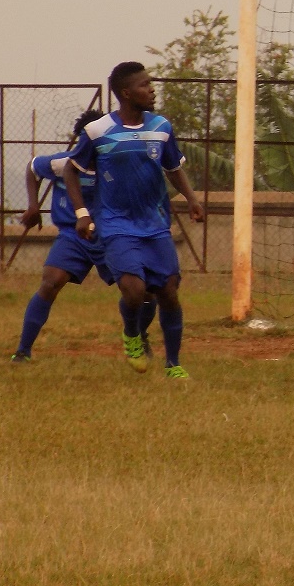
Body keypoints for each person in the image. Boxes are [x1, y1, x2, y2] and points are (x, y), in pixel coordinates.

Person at [63, 62, 204, 378]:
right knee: (134, 289)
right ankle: (132, 334)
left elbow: (173, 167)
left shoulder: (162, 127)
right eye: (145, 84)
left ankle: (174, 364)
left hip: (154, 224)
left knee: (168, 289)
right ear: (126, 93)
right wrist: (82, 213)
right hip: (115, 224)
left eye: (151, 83)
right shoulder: (98, 130)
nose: (152, 89)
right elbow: (71, 169)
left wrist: (193, 199)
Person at [11, 110, 158, 362]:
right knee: (50, 282)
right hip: (73, 236)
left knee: (143, 291)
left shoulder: (117, 167)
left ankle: (138, 334)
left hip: (112, 236)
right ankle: (23, 351)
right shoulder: (63, 164)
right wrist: (34, 206)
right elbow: (33, 168)